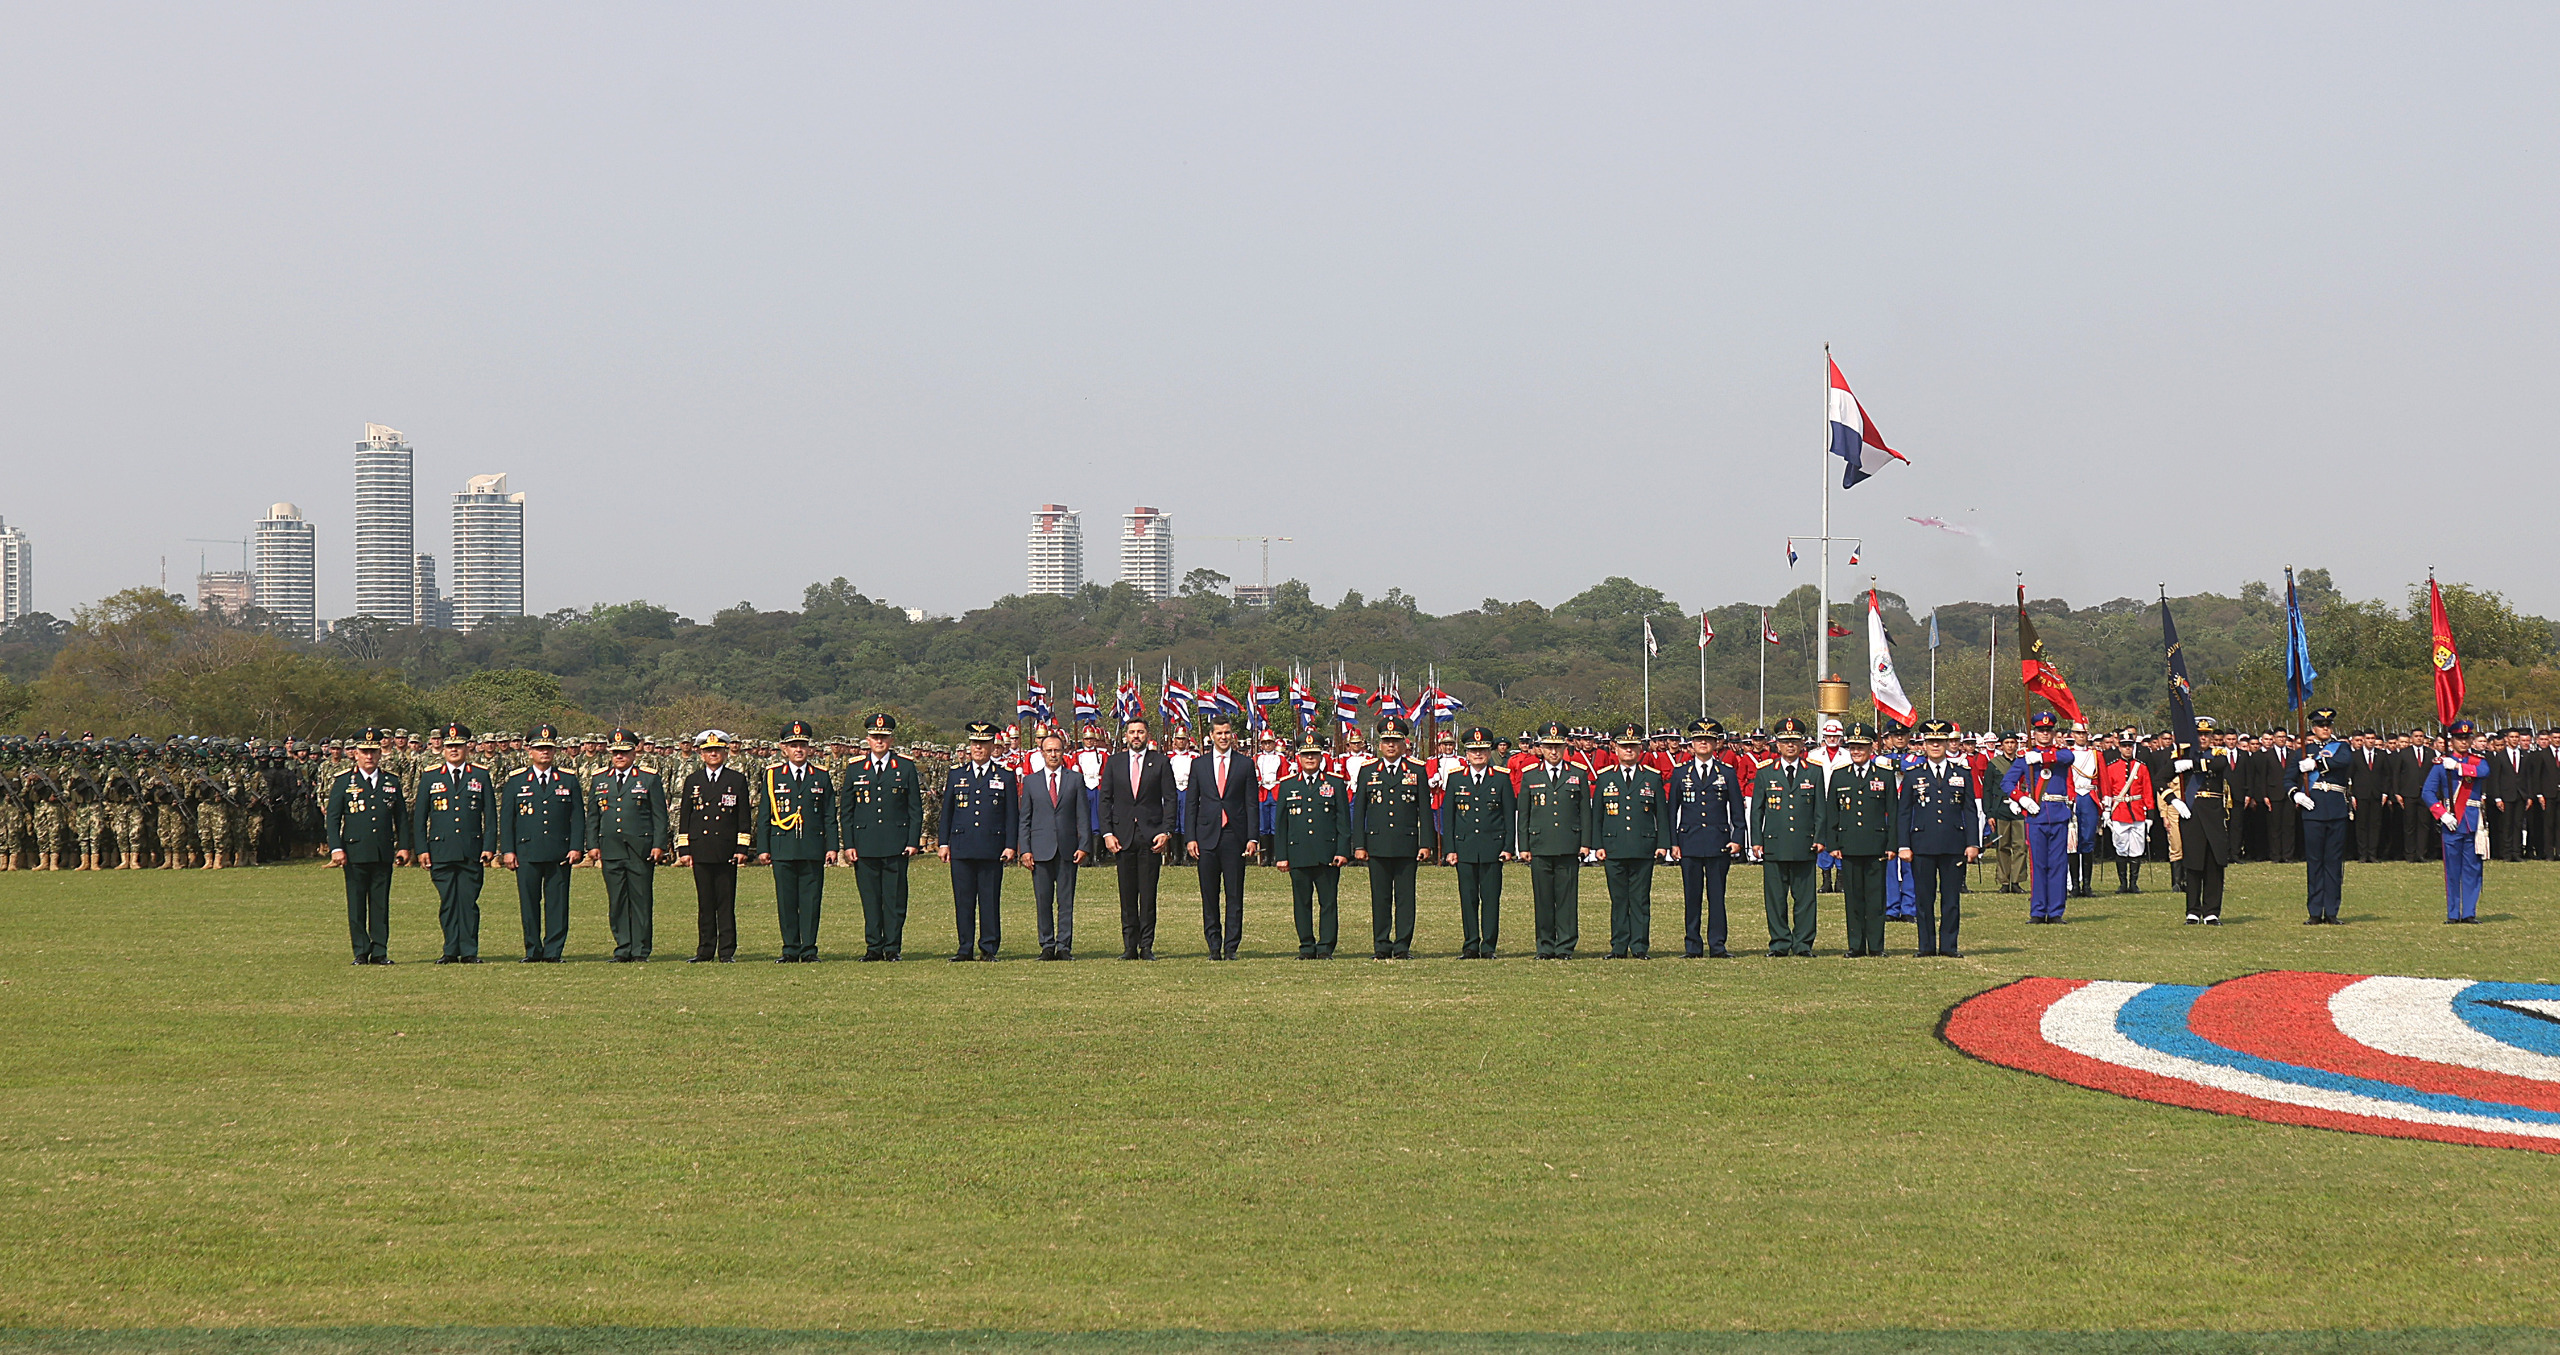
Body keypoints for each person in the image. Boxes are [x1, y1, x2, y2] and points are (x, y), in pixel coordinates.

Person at [411, 722, 497, 964]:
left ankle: (469, 950)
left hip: (471, 849)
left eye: (458, 746)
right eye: (450, 746)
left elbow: (489, 815)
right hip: (441, 849)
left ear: (467, 747)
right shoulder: (430, 776)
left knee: (468, 902)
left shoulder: (480, 775)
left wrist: (489, 846)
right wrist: (422, 849)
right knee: (448, 902)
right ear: (443, 748)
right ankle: (450, 949)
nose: (454, 750)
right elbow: (420, 818)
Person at [840, 712, 923, 961]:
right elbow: (847, 810)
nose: (879, 741)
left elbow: (914, 809)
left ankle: (892, 947)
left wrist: (912, 841)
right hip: (865, 844)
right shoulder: (855, 768)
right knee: (871, 899)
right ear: (867, 739)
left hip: (895, 844)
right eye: (875, 737)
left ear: (891, 739)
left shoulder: (905, 767)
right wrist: (849, 844)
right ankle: (873, 947)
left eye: (884, 737)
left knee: (895, 900)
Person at [753, 720, 837, 962]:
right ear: (784, 749)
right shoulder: (773, 775)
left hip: (812, 847)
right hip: (783, 847)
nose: (798, 749)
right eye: (793, 745)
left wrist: (832, 847)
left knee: (811, 901)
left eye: (802, 745)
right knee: (786, 901)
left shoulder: (821, 775)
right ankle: (790, 949)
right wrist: (763, 848)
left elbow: (829, 815)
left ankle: (809, 949)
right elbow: (765, 815)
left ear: (810, 748)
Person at [499, 724, 584, 962]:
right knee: (529, 903)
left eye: (548, 748)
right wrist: (508, 850)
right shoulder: (516, 781)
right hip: (527, 850)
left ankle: (554, 951)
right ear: (529, 751)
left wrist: (576, 846)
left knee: (557, 904)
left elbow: (577, 817)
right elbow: (507, 819)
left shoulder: (568, 780)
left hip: (559, 851)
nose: (544, 752)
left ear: (555, 751)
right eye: (539, 748)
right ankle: (532, 950)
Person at [1353, 718, 1437, 959]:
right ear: (1380, 745)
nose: (1391, 745)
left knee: (1405, 898)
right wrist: (1358, 844)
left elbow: (1425, 810)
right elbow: (1359, 811)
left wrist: (1426, 843)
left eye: (1395, 741)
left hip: (1406, 844)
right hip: (1377, 844)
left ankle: (1402, 946)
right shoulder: (1368, 771)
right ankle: (1381, 945)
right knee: (1380, 898)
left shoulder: (1416, 770)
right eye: (1386, 741)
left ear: (1404, 744)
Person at [326, 727, 410, 965]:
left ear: (380, 753)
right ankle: (361, 951)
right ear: (355, 753)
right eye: (364, 751)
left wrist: (404, 846)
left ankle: (380, 951)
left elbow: (401, 818)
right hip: (354, 851)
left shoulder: (391, 781)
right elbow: (333, 818)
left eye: (373, 751)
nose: (369, 756)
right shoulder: (343, 782)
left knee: (380, 904)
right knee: (356, 903)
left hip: (382, 851)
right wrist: (336, 848)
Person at [1588, 722, 1672, 959]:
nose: (1629, 750)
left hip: (1643, 846)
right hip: (1613, 846)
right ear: (1615, 748)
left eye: (1633, 746)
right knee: (1618, 900)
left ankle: (1639, 946)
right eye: (1624, 746)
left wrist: (1662, 845)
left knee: (1640, 900)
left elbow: (1662, 815)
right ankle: (1618, 946)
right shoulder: (1605, 778)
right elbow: (1598, 816)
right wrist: (1598, 846)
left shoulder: (1652, 778)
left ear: (1640, 749)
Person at [1896, 719, 1979, 957]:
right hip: (1922, 844)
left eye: (1940, 741)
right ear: (1923, 744)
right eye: (1931, 741)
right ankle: (1926, 946)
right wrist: (1903, 845)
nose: (1935, 746)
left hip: (1953, 844)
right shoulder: (1913, 775)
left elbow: (1970, 810)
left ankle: (1949, 946)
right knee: (1924, 899)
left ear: (1947, 743)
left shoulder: (1961, 773)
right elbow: (1904, 813)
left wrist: (1973, 843)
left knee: (1951, 899)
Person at [938, 721, 1019, 961]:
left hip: (992, 847)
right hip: (962, 846)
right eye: (974, 743)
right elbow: (947, 813)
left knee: (989, 899)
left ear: (992, 745)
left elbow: (1011, 814)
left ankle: (989, 947)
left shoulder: (1004, 775)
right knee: (963, 900)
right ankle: (965, 947)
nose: (978, 748)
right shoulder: (956, 774)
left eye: (983, 744)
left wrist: (1011, 844)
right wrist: (944, 843)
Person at [587, 728, 668, 962]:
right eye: (615, 753)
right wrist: (592, 844)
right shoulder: (599, 778)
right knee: (617, 901)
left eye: (624, 752)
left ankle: (640, 949)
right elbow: (593, 815)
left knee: (641, 900)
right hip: (610, 848)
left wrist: (658, 844)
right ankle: (623, 948)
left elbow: (659, 815)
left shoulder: (648, 777)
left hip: (640, 848)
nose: (619, 757)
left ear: (634, 752)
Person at [1100, 716, 1177, 960]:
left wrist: (1166, 831)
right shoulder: (1114, 763)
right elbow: (1105, 800)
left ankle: (1146, 946)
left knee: (1148, 894)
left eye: (1140, 732)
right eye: (1132, 732)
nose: (1136, 736)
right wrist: (1108, 833)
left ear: (1147, 735)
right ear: (1125, 736)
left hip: (1151, 836)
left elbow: (1171, 799)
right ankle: (1129, 946)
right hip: (1122, 838)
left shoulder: (1161, 762)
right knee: (1127, 894)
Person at [1515, 720, 1594, 959]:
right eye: (1548, 746)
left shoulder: (1577, 774)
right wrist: (1524, 847)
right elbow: (1524, 815)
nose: (1553, 751)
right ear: (1540, 747)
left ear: (1565, 747)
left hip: (1569, 845)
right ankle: (1545, 945)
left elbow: (1585, 813)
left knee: (1567, 900)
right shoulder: (1530, 776)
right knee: (1543, 899)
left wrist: (1585, 843)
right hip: (1540, 845)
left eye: (1557, 746)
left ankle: (1566, 946)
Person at [1820, 723, 1899, 957]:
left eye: (1861, 747)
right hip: (1849, 845)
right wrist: (1833, 844)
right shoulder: (1839, 775)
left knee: (1876, 899)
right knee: (1853, 899)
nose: (1856, 751)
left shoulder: (1884, 775)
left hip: (1876, 845)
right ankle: (1856, 945)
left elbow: (1892, 813)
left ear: (1871, 748)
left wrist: (1892, 844)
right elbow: (1831, 812)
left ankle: (1876, 946)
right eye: (1852, 747)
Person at [1184, 715, 1258, 960]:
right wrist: (1190, 837)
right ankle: (1214, 946)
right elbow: (1192, 804)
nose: (1224, 737)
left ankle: (1231, 947)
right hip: (1206, 837)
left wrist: (1252, 837)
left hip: (1234, 836)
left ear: (1232, 735)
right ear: (1211, 736)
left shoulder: (1245, 764)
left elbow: (1251, 804)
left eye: (1227, 733)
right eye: (1219, 733)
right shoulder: (1199, 764)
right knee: (1209, 894)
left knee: (1234, 894)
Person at [1749, 717, 1824, 957]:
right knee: (1775, 898)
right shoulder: (1765, 772)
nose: (1790, 745)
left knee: (1805, 899)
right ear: (1776, 745)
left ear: (1803, 744)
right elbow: (1756, 810)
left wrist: (1819, 838)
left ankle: (1803, 943)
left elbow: (1820, 810)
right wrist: (1756, 841)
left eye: (1794, 741)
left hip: (1804, 843)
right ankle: (1780, 942)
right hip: (1775, 843)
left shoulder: (1814, 771)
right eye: (1785, 741)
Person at [1272, 734, 1352, 958]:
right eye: (1305, 755)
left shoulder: (1334, 783)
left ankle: (1326, 947)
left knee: (1328, 903)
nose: (1310, 759)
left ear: (1321, 757)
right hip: (1298, 853)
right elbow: (1281, 824)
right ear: (1298, 757)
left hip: (1327, 854)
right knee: (1301, 903)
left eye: (1314, 755)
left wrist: (1343, 851)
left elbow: (1343, 821)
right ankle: (1306, 946)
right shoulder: (1288, 786)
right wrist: (1282, 855)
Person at [675, 731, 753, 962]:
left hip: (726, 849)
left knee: (725, 902)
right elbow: (685, 817)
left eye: (718, 750)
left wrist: (742, 848)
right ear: (701, 753)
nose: (713, 754)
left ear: (725, 752)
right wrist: (684, 848)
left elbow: (743, 817)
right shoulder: (693, 781)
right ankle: (705, 950)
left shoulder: (736, 780)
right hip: (701, 848)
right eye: (709, 751)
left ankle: (727, 951)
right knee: (705, 903)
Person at [1670, 718, 1744, 958]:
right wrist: (1673, 842)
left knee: (1716, 897)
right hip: (1689, 842)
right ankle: (1692, 945)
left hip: (1718, 842)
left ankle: (1718, 945)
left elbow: (1737, 810)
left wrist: (1738, 837)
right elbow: (1672, 811)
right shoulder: (1681, 773)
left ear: (1716, 743)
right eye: (1699, 740)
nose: (1703, 743)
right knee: (1692, 896)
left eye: (1708, 740)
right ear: (1691, 744)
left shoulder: (1727, 773)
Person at [1439, 726, 1516, 958]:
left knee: (1491, 900)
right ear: (1467, 753)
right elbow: (1449, 818)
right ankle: (1471, 944)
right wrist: (1450, 850)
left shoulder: (1501, 779)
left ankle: (1489, 946)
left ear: (1490, 751)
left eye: (1483, 750)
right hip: (1465, 848)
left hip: (1493, 847)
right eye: (1474, 750)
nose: (1479, 754)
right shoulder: (1455, 779)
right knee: (1468, 899)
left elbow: (1509, 816)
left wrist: (1508, 848)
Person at [2000, 713, 2081, 923]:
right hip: (2036, 815)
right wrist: (2023, 799)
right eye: (2040, 731)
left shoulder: (2060, 754)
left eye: (2048, 730)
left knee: (2058, 864)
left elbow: (2069, 758)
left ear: (2054, 733)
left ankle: (2055, 912)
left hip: (2058, 814)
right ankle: (2037, 911)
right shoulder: (2024, 757)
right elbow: (2007, 783)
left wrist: (2043, 758)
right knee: (2038, 864)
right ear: (2034, 733)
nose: (2044, 734)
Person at [1018, 729, 1089, 960]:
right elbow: (1025, 819)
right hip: (1040, 850)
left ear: (1063, 752)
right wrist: (1025, 850)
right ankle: (1047, 945)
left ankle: (1064, 946)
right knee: (1043, 900)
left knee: (1065, 901)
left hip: (1068, 848)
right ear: (1041, 753)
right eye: (1048, 750)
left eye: (1057, 750)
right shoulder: (1030, 781)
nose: (1053, 754)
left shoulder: (1075, 779)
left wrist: (1085, 844)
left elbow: (1083, 815)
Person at [2170, 717, 2237, 925]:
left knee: (2214, 863)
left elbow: (2219, 766)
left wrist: (2192, 763)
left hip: (2215, 814)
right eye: (2199, 734)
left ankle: (2211, 911)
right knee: (2193, 862)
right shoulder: (2180, 758)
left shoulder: (2219, 754)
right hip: (2192, 813)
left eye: (2207, 734)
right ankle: (2192, 910)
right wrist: (2174, 801)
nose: (2203, 738)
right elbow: (2159, 780)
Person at [2422, 719, 2490, 924]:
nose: (2463, 742)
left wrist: (2459, 767)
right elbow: (2427, 792)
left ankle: (2469, 912)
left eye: (2467, 738)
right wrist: (2441, 813)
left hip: (2471, 822)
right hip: (2451, 821)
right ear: (2451, 740)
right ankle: (2453, 913)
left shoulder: (2477, 761)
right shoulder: (2441, 764)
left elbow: (2484, 772)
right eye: (2459, 738)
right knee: (2452, 870)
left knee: (2473, 869)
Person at [2294, 708, 2352, 925]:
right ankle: (2315, 911)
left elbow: (2344, 762)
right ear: (2313, 728)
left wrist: (2317, 764)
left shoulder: (2342, 747)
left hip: (2336, 810)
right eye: (2320, 725)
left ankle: (2332, 911)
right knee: (2315, 863)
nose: (2325, 729)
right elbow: (2289, 778)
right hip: (2313, 811)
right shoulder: (2303, 750)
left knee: (2334, 863)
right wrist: (2296, 794)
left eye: (2328, 725)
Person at [2098, 727, 2155, 894]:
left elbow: (2147, 791)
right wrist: (2106, 810)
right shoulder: (2111, 767)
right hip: (2119, 811)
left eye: (2130, 745)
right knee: (2121, 847)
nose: (2127, 748)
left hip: (2137, 811)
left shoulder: (2142, 767)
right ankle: (2122, 883)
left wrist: (2150, 814)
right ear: (2119, 747)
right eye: (2124, 745)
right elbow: (2107, 790)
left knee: (2137, 848)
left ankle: (2133, 883)